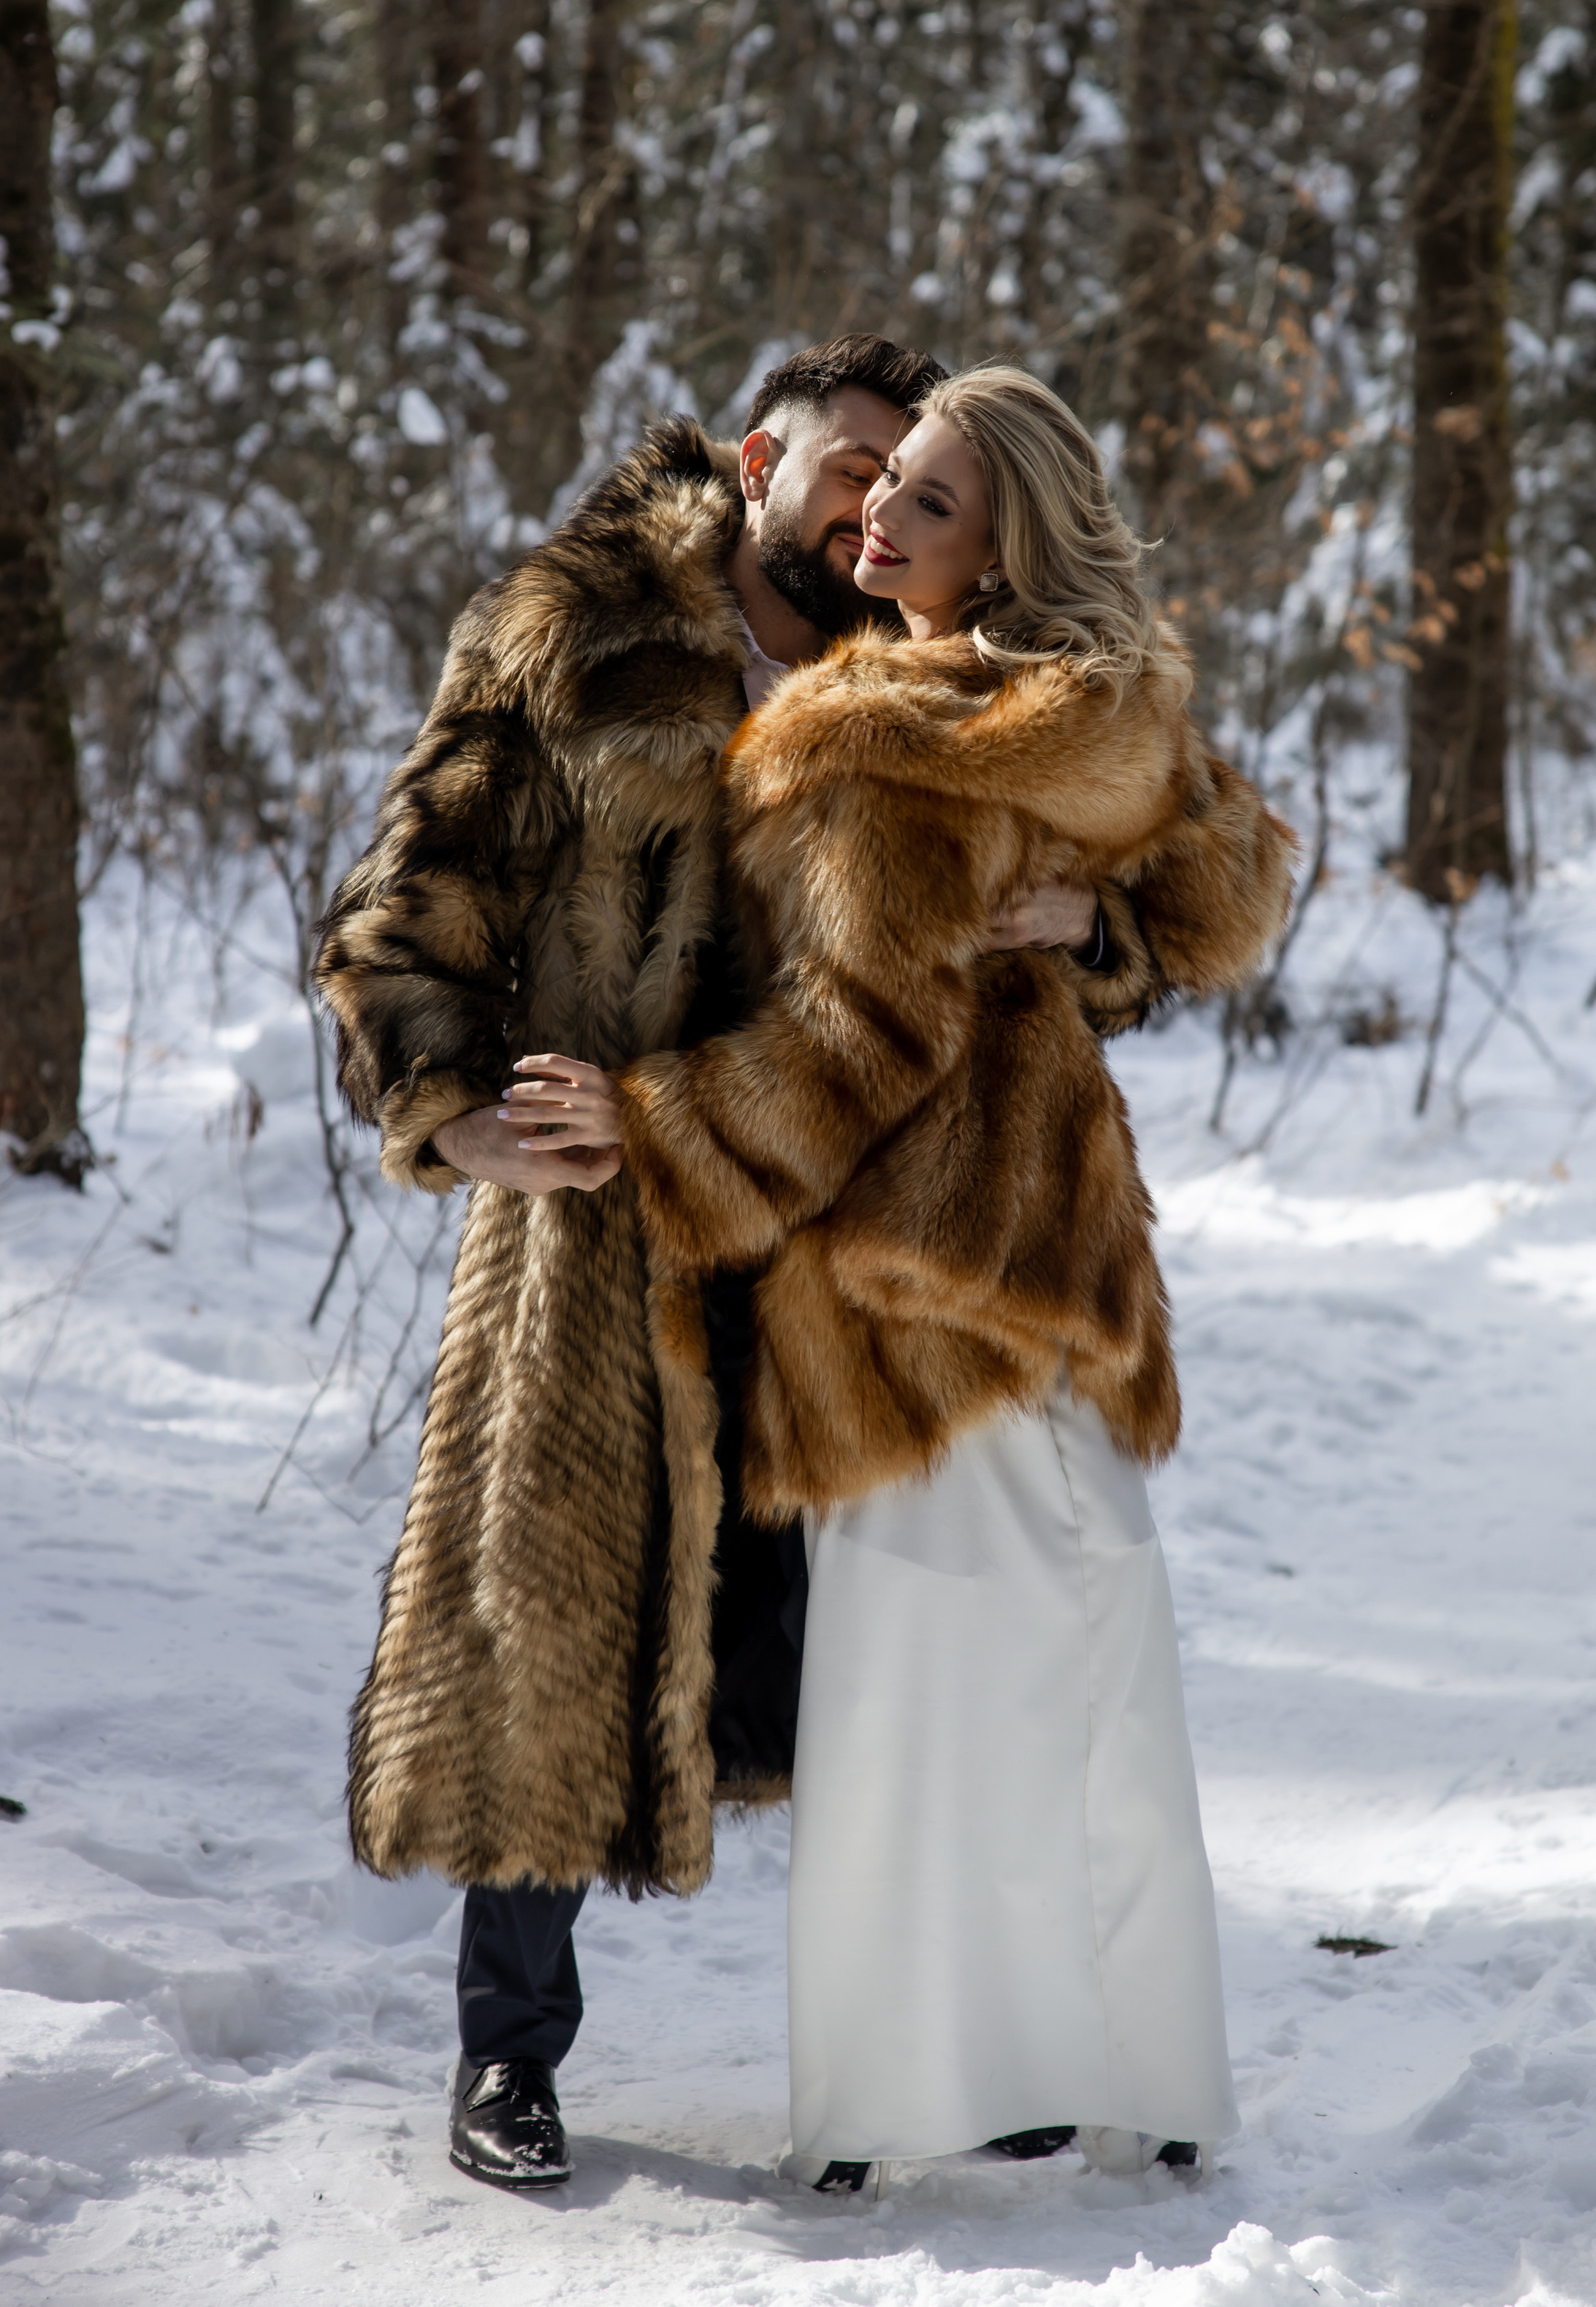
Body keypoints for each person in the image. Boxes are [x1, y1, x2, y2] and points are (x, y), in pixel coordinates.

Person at [314, 337, 1263, 2194]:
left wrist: (1097, 931)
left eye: (902, 479)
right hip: (608, 1218)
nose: (866, 506)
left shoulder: (918, 656)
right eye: (848, 468)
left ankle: (974, 2042)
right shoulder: (575, 633)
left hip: (837, 1225)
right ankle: (509, 2056)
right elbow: (412, 895)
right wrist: (452, 1110)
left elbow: (1139, 862)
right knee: (556, 1637)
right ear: (760, 459)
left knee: (896, 1659)